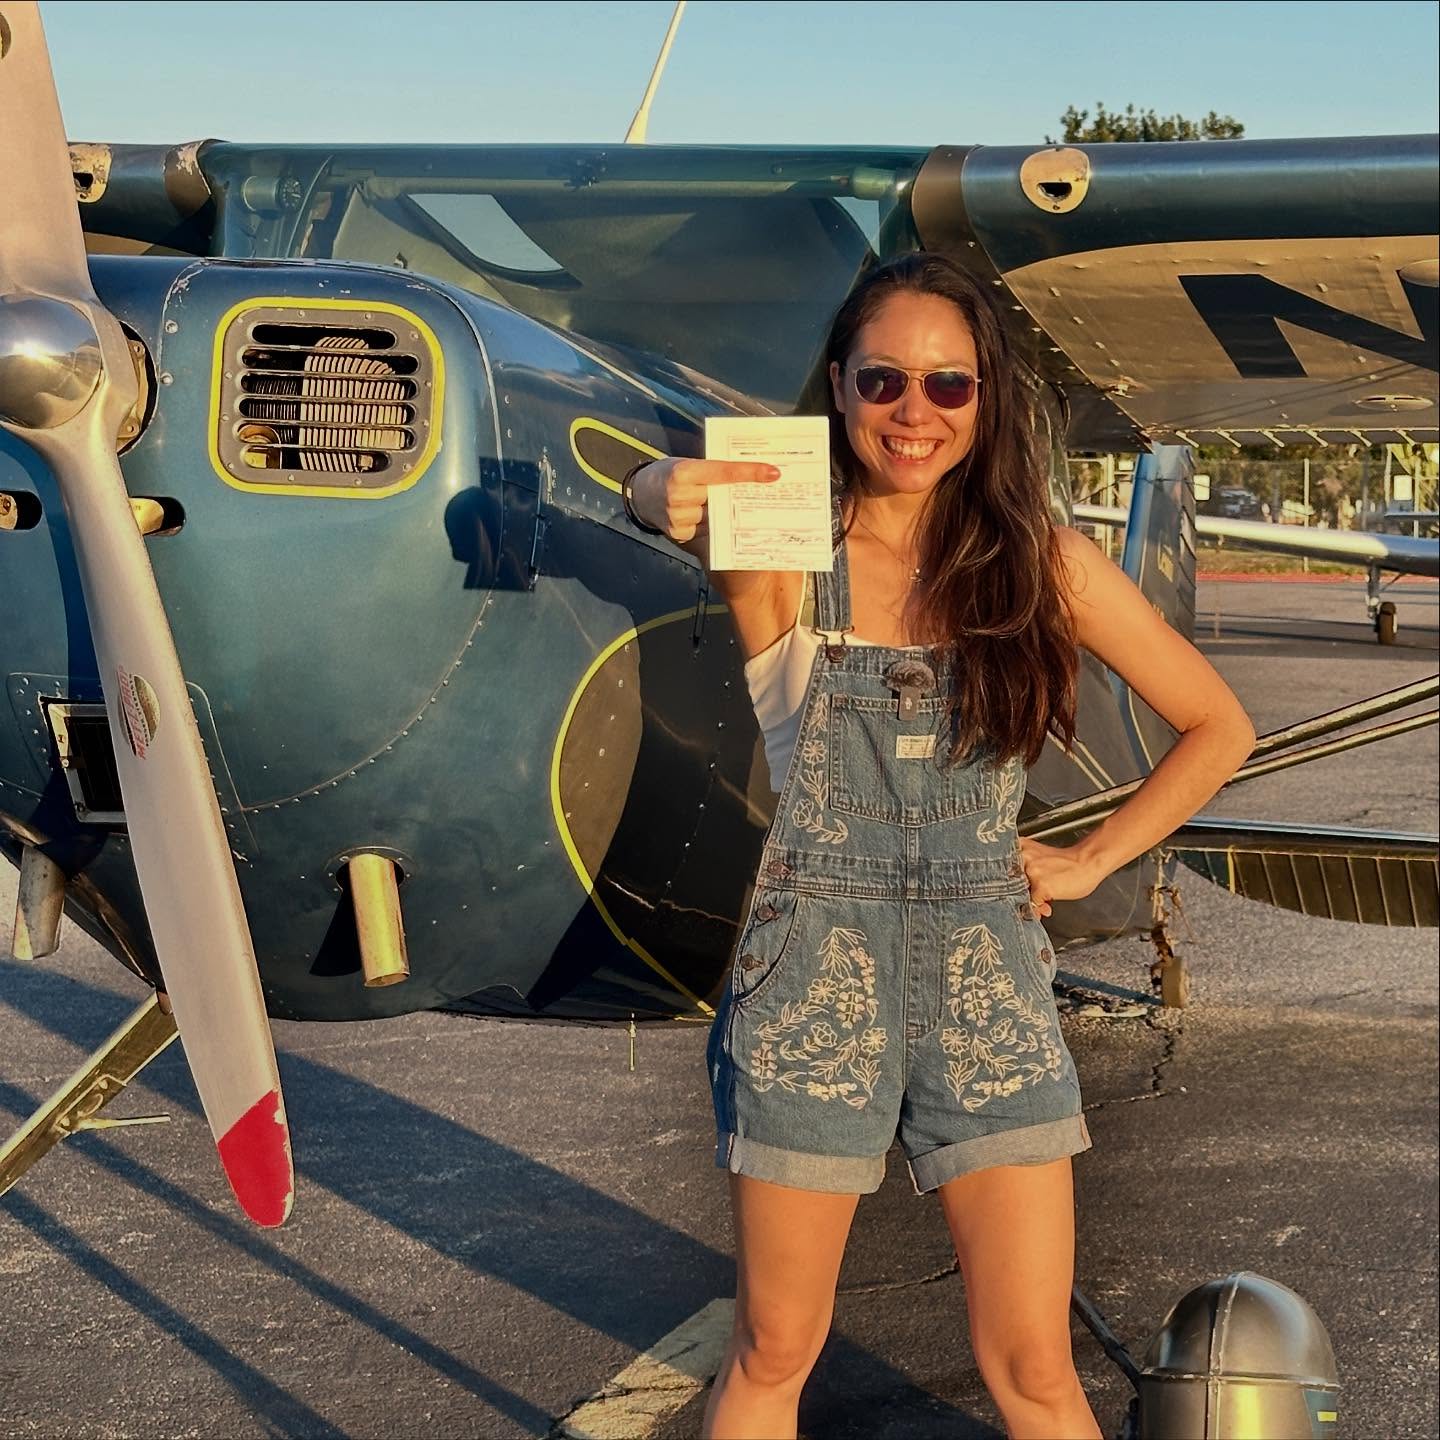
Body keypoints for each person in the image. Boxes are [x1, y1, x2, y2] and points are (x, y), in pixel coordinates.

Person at [623, 252, 1255, 1440]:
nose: (915, 412)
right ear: (839, 385)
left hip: (987, 983)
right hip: (813, 976)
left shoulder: (1044, 565)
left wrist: (1091, 860)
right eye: (884, 380)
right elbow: (664, 499)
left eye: (948, 384)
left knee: (1036, 1369)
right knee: (773, 1350)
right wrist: (654, 485)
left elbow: (1218, 726)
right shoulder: (783, 550)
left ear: (985, 397)